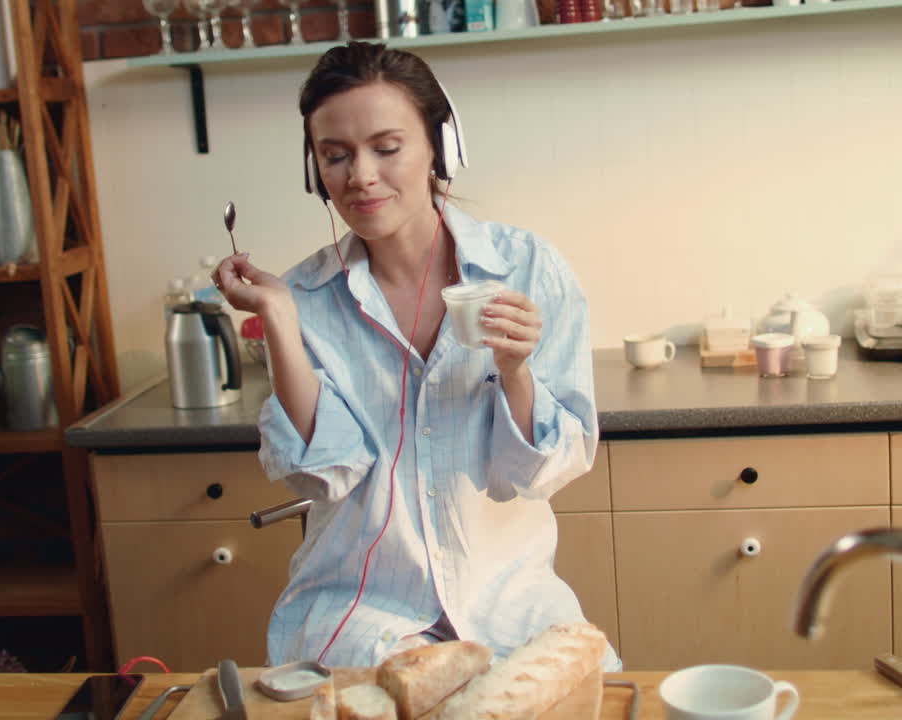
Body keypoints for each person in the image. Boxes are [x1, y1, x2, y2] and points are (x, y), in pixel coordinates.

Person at [213, 41, 619, 672]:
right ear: (313, 167)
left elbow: (541, 474)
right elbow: (328, 474)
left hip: (509, 606)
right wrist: (280, 320)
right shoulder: (304, 299)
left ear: (440, 146)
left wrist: (515, 372)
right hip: (358, 613)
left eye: (386, 147)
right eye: (335, 155)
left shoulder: (529, 268)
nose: (360, 176)